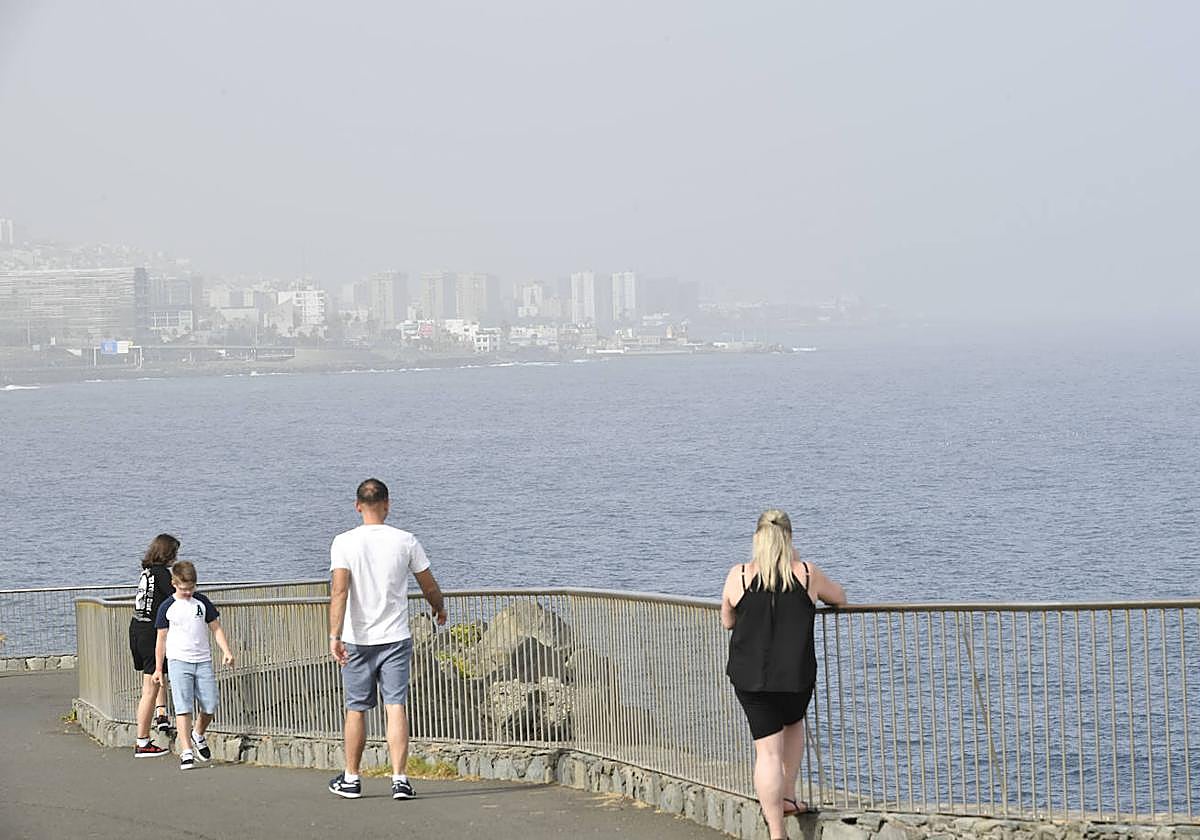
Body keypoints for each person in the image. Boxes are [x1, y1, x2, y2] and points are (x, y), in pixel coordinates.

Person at [721, 509, 846, 840]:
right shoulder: (806, 574)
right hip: (795, 675)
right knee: (793, 725)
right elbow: (839, 598)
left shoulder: (740, 576)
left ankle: (777, 832)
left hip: (752, 679)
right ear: (789, 538)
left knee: (767, 753)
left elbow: (728, 620)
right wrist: (796, 561)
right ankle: (788, 796)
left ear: (757, 539)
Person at [327, 478, 446, 801]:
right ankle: (400, 779)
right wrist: (439, 608)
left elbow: (339, 591)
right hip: (395, 636)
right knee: (395, 705)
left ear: (357, 506)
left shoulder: (344, 542)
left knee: (356, 708)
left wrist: (334, 635)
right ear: (387, 504)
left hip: (356, 637)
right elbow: (428, 584)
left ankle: (352, 778)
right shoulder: (405, 541)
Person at [151, 560, 235, 771]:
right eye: (184, 588)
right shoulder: (166, 607)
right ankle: (186, 749)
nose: (188, 592)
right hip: (178, 661)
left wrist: (226, 651)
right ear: (174, 584)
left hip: (203, 660)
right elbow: (161, 639)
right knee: (183, 706)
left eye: (191, 588)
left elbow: (216, 628)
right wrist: (159, 669)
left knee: (210, 704)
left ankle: (198, 734)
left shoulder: (202, 602)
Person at [129, 533, 178, 758]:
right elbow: (177, 596)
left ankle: (161, 715)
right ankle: (142, 741)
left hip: (137, 627)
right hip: (151, 633)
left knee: (153, 679)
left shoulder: (147, 572)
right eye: (174, 553)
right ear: (167, 554)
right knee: (150, 688)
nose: (175, 558)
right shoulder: (162, 574)